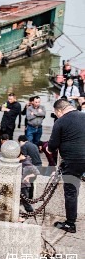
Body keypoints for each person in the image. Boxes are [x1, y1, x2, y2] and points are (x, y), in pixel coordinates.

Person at [48, 99, 85, 233]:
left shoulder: (61, 121)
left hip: (73, 161)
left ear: (59, 111)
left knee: (71, 192)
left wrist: (49, 149)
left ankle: (70, 224)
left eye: (56, 113)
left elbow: (52, 146)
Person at [18, 154, 39, 220]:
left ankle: (31, 214)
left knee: (25, 202)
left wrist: (28, 176)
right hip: (21, 184)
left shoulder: (27, 163)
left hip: (24, 185)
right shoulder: (22, 162)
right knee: (23, 201)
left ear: (21, 155)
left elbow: (36, 172)